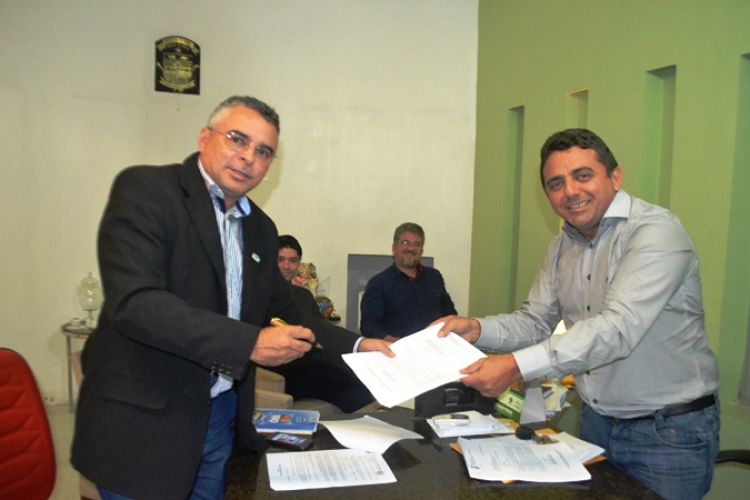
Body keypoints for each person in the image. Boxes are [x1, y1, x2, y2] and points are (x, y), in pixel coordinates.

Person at [70, 95, 392, 500]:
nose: (248, 157)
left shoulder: (260, 228)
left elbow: (288, 310)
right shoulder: (147, 190)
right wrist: (248, 342)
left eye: (263, 151)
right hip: (146, 423)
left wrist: (360, 345)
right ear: (205, 138)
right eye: (237, 139)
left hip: (219, 416)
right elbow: (136, 303)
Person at [437, 128, 719, 500]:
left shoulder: (655, 232)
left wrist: (516, 366)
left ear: (615, 177)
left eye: (582, 175)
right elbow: (535, 321)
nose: (570, 191)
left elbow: (617, 328)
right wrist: (476, 329)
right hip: (597, 424)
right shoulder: (561, 247)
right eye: (556, 183)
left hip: (666, 433)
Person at [273, 234, 375, 411]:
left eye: (292, 261)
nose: (286, 266)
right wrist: (359, 344)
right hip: (285, 369)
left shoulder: (303, 295)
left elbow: (320, 327)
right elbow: (309, 325)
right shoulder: (262, 293)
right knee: (345, 382)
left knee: (354, 378)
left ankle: (369, 418)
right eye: (280, 260)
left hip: (310, 361)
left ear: (299, 264)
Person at [360, 222, 457, 341]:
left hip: (435, 344)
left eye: (416, 244)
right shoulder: (378, 284)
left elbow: (450, 314)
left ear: (421, 251)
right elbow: (369, 326)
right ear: (394, 248)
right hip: (396, 347)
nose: (411, 248)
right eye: (405, 243)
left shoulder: (435, 277)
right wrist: (394, 342)